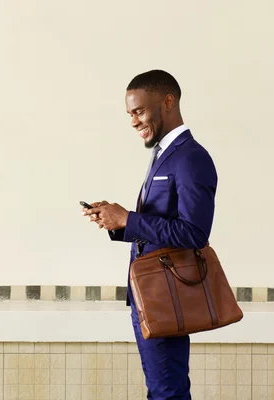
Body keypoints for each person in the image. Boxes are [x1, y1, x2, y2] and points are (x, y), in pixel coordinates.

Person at [82, 69, 218, 399]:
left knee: (166, 392)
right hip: (148, 297)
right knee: (160, 390)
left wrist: (129, 218)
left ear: (167, 102)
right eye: (130, 114)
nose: (133, 121)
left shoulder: (190, 157)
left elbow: (194, 233)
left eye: (139, 111)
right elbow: (160, 225)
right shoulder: (163, 154)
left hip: (165, 299)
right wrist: (118, 221)